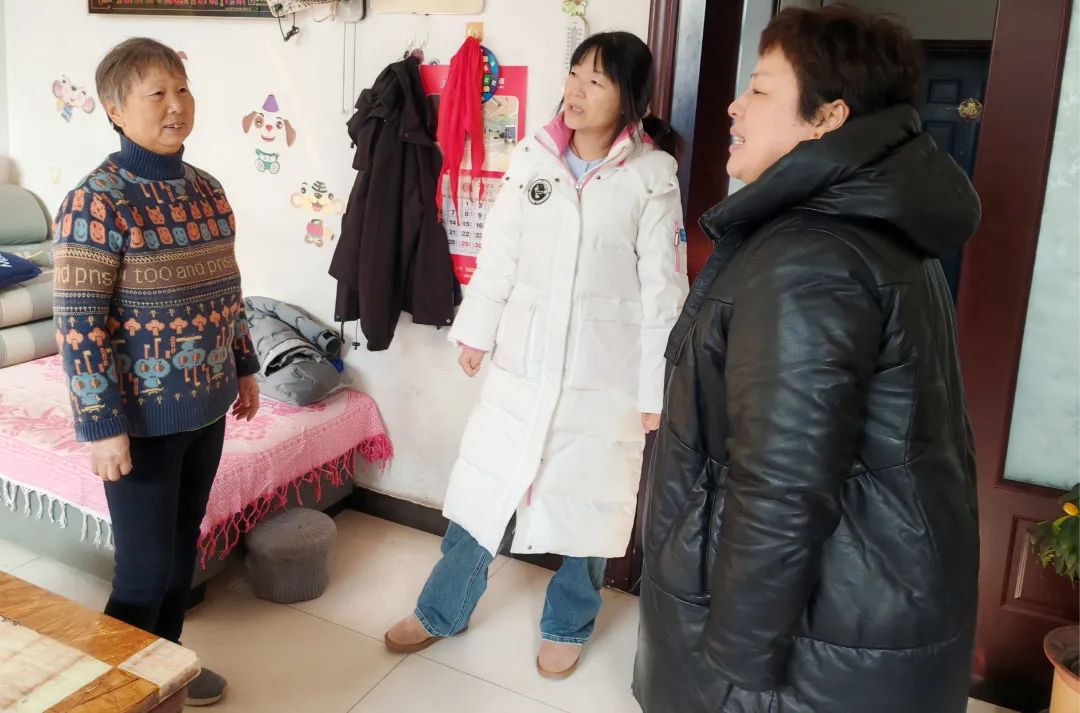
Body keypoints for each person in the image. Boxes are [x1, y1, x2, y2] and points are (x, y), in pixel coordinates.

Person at [633, 7, 981, 713]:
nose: (734, 107)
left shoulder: (810, 257)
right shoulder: (873, 227)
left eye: (760, 89)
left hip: (812, 643)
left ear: (827, 117)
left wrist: (732, 666)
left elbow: (781, 488)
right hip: (869, 605)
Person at [384, 31, 689, 677]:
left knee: (592, 505)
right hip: (523, 367)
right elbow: (500, 254)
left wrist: (653, 390)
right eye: (574, 73)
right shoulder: (533, 158)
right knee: (484, 493)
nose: (575, 91)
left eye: (596, 81)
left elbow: (665, 293)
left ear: (629, 98)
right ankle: (441, 610)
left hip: (603, 376)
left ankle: (568, 623)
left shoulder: (652, 175)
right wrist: (477, 332)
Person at [52, 38, 261, 708]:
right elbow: (78, 323)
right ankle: (109, 694)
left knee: (180, 555)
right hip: (140, 423)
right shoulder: (96, 201)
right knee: (142, 574)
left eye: (182, 90)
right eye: (157, 94)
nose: (177, 106)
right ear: (115, 109)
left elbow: (227, 288)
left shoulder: (207, 189)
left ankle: (163, 671)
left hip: (206, 410)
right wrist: (101, 424)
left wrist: (244, 365)